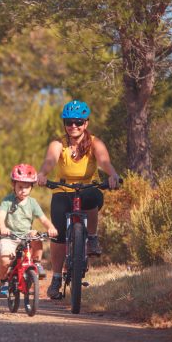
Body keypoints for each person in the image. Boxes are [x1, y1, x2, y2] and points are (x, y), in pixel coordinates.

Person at [36, 100, 120, 300]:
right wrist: (42, 174)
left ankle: (91, 238)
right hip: (63, 190)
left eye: (78, 122)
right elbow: (50, 161)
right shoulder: (58, 144)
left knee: (91, 198)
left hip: (88, 187)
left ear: (86, 123)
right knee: (58, 234)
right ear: (64, 124)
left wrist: (113, 175)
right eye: (69, 122)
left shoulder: (94, 143)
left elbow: (104, 161)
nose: (73, 126)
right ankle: (56, 278)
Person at [0, 164, 58, 298]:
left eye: (27, 187)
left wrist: (50, 228)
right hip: (9, 236)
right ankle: (3, 282)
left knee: (36, 237)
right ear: (13, 185)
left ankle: (36, 264)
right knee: (5, 260)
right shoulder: (7, 200)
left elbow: (43, 219)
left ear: (31, 187)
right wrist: (2, 227)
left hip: (26, 236)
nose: (23, 190)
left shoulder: (32, 203)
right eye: (20, 187)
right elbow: (0, 215)